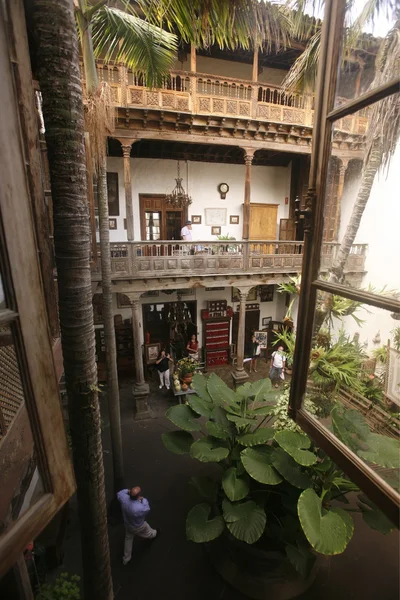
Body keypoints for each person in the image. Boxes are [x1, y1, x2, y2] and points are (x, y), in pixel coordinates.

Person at [117, 486, 158, 566]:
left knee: (128, 538)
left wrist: (128, 491)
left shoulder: (124, 498)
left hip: (128, 525)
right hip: (139, 526)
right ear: (138, 495)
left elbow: (119, 493)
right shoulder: (139, 508)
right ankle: (154, 534)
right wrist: (143, 500)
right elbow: (147, 509)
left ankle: (126, 559)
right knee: (149, 532)